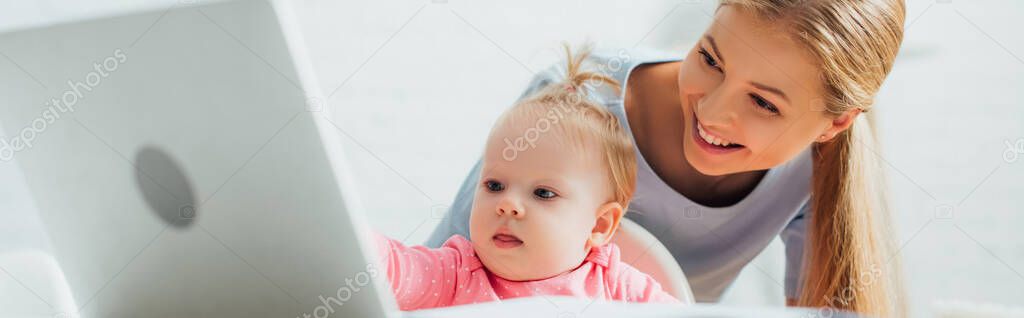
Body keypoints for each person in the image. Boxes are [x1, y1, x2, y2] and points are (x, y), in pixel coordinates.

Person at [428, 1, 907, 316]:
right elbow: (443, 277)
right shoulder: (583, 97)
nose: (713, 114)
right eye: (711, 60)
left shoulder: (814, 172)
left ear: (835, 124)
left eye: (763, 103)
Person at [375, 46, 678, 311]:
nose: (507, 204)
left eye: (543, 193)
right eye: (494, 186)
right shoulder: (454, 273)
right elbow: (388, 266)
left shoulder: (617, 289)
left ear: (599, 225)